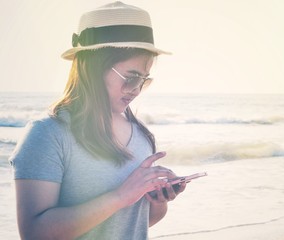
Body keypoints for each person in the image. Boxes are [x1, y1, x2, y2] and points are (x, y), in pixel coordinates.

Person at [9, 2, 186, 239]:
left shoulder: (142, 136)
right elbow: (34, 234)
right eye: (132, 78)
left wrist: (158, 202)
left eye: (144, 80)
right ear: (92, 68)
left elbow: (136, 224)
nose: (137, 90)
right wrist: (119, 197)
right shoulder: (48, 134)